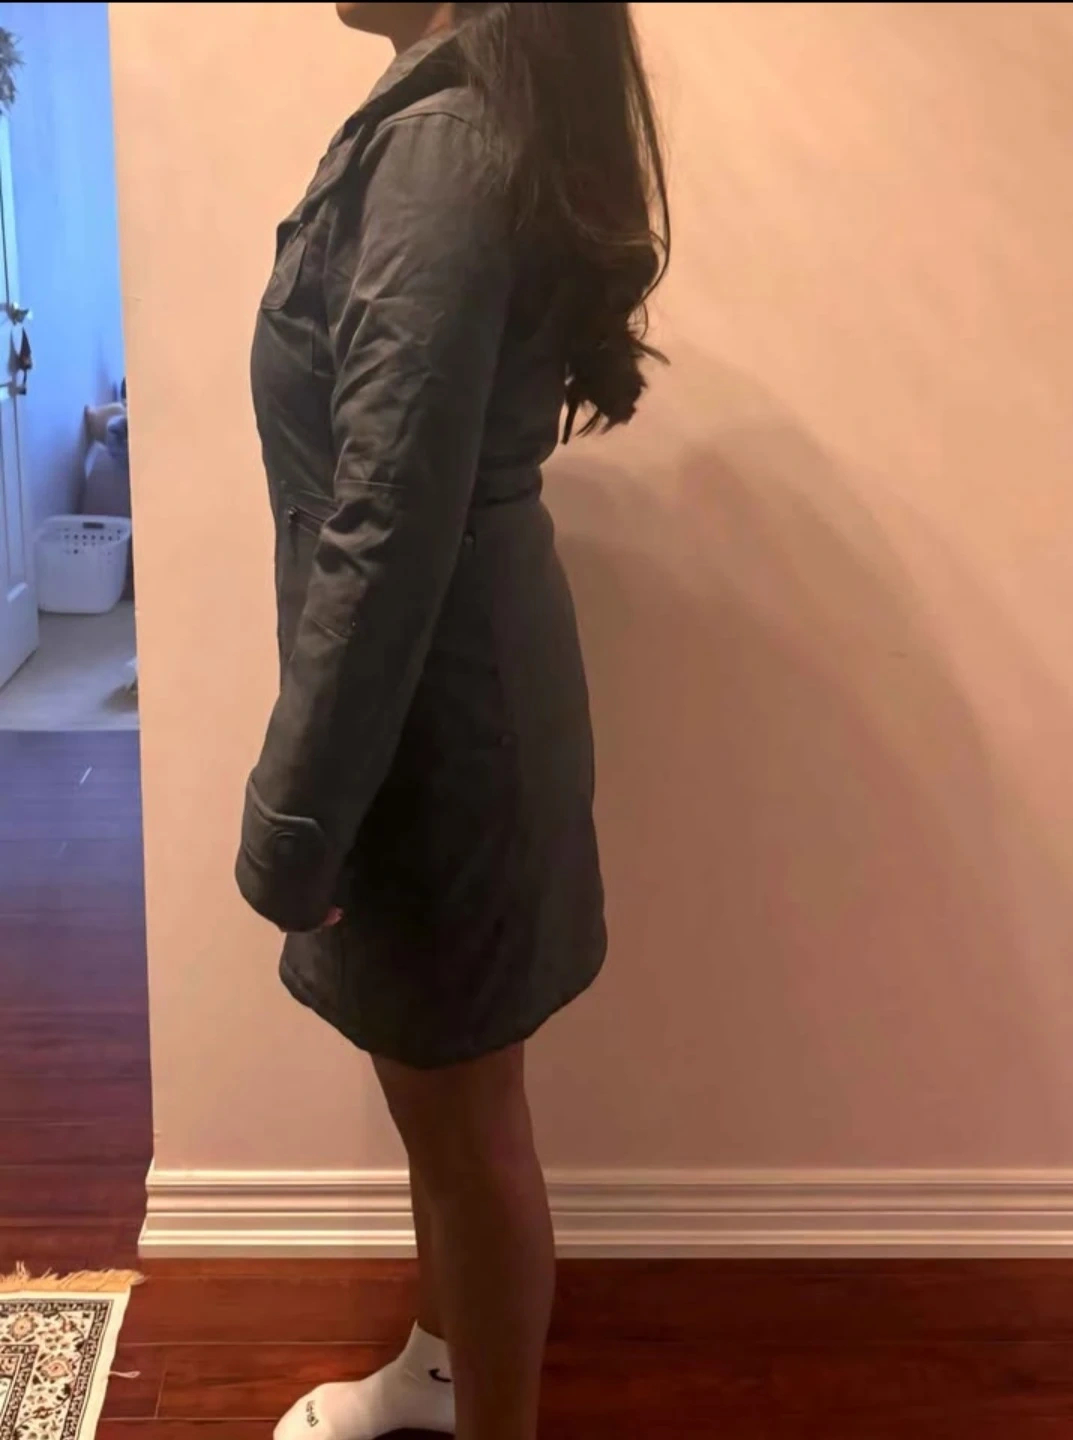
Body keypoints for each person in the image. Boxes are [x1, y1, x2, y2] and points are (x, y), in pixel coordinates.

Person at [235, 3, 669, 1438]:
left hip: (433, 726)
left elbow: (386, 524)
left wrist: (295, 816)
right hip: (438, 703)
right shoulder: (457, 119)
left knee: (470, 1129)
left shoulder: (440, 144)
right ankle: (440, 1365)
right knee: (447, 1104)